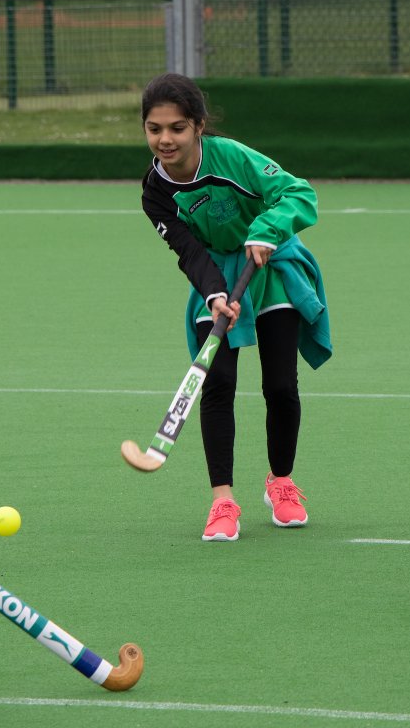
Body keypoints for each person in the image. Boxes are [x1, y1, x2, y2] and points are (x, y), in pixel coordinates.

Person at [139, 73, 332, 542]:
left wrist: (267, 229)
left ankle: (281, 484)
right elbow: (189, 251)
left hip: (273, 268)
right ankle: (222, 500)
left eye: (178, 127)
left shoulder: (234, 158)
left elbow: (299, 194)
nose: (166, 139)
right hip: (219, 276)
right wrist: (214, 293)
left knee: (281, 383)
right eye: (154, 128)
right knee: (219, 382)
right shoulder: (155, 192)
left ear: (199, 126)